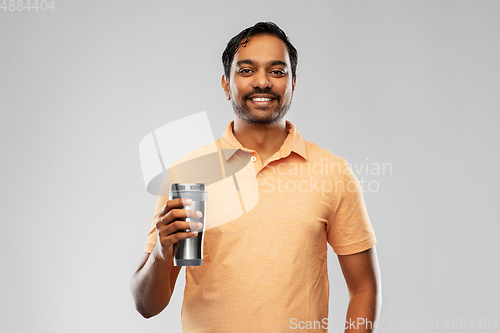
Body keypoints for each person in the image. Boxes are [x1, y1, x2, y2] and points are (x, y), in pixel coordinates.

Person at [131, 22, 381, 332]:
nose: (262, 82)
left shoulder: (332, 172)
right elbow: (147, 306)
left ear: (293, 83)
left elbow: (364, 289)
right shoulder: (189, 174)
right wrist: (161, 253)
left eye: (277, 71)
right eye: (246, 70)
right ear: (226, 85)